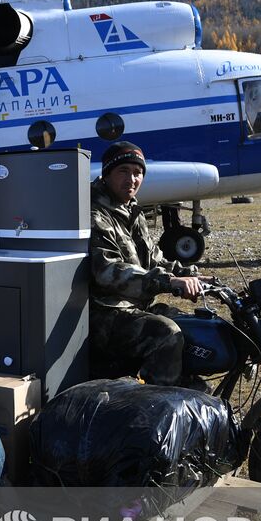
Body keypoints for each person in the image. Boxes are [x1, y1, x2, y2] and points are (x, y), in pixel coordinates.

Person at [88, 140, 203, 385]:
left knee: (194, 326)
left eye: (138, 172)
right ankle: (152, 409)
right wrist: (169, 282)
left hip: (135, 308)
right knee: (166, 334)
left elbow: (153, 258)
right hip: (104, 315)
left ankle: (188, 389)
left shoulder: (131, 211)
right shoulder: (94, 215)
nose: (132, 179)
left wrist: (189, 274)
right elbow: (108, 271)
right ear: (106, 175)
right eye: (123, 171)